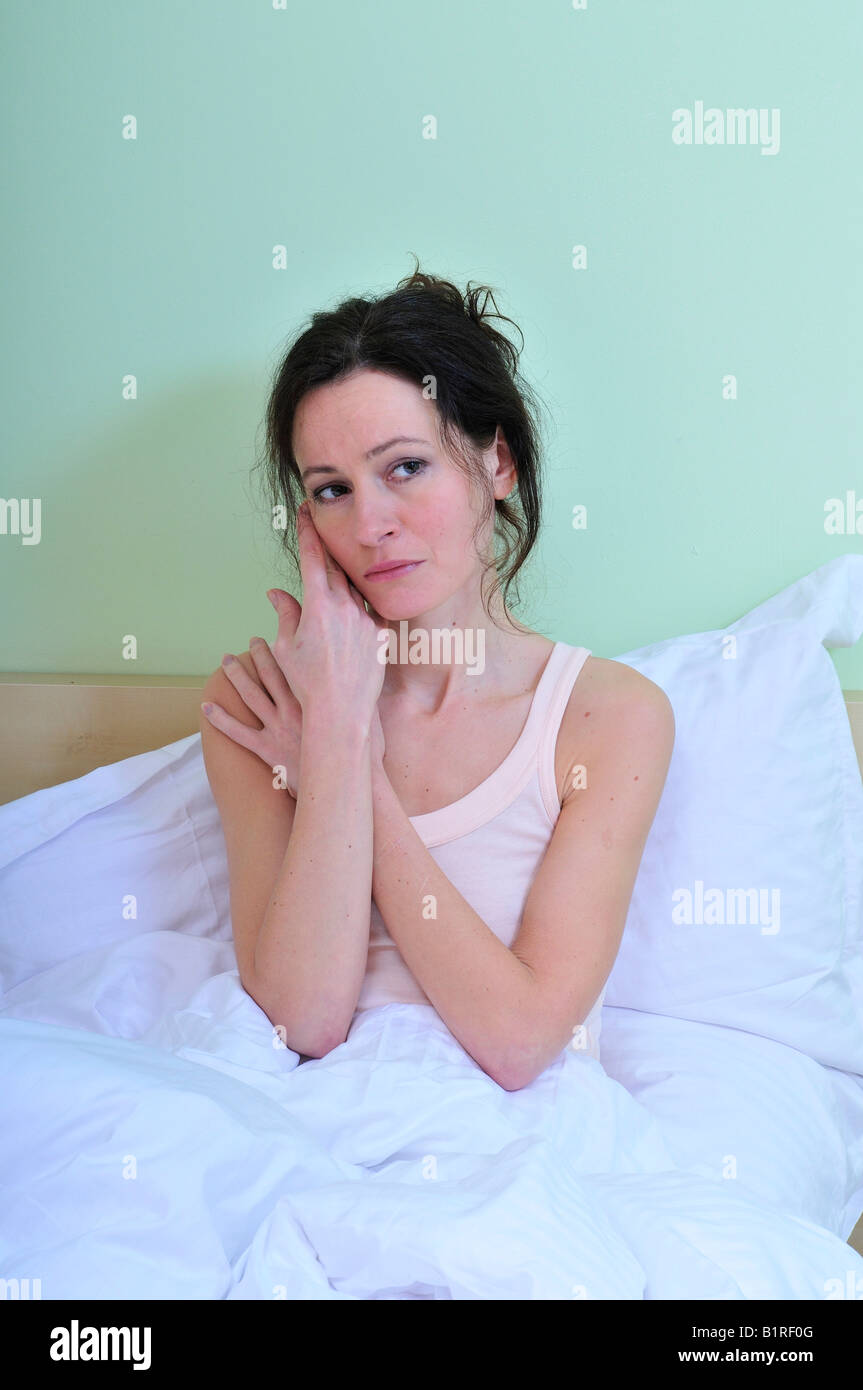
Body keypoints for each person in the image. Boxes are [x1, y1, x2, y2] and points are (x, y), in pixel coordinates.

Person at [198, 260, 675, 1090]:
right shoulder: (254, 708)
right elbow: (300, 1021)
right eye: (332, 489)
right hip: (300, 1127)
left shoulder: (608, 718)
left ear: (497, 464)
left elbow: (522, 1042)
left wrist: (337, 753)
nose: (372, 523)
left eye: (405, 468)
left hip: (506, 1146)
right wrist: (337, 720)